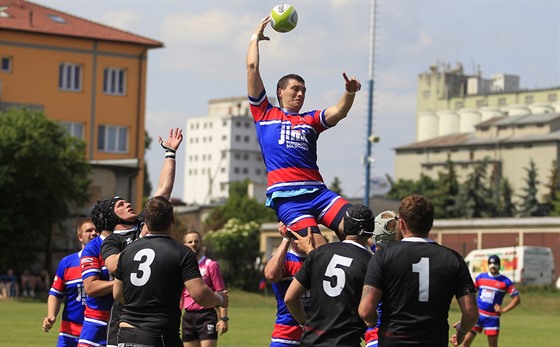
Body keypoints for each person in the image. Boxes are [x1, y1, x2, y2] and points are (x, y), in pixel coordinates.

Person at [246, 15, 362, 246]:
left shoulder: (310, 120)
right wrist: (254, 39)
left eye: (304, 91)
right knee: (319, 250)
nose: (300, 94)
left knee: (358, 224)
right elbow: (252, 67)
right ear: (280, 92)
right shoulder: (264, 113)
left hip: (319, 193)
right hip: (289, 200)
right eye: (295, 89)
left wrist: (349, 93)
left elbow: (339, 111)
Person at [80, 127, 183, 347]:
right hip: (124, 322)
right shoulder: (112, 241)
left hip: (158, 320)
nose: (127, 203)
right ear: (110, 217)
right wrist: (141, 242)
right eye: (120, 204)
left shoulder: (144, 224)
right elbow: (114, 265)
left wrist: (170, 154)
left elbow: (163, 190)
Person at [358, 195, 479, 347]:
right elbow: (471, 313)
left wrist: (377, 325)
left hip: (393, 340)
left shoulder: (384, 256)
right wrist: (461, 332)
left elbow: (365, 310)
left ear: (401, 224)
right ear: (431, 223)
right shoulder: (453, 259)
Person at [113, 196, 229, 347]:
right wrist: (220, 299)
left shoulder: (127, 251)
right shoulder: (181, 252)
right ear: (172, 220)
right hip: (159, 335)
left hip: (125, 335)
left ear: (146, 222)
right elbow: (200, 295)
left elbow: (118, 294)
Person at [284, 204, 374, 347]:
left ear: (345, 227)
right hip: (346, 342)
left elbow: (290, 298)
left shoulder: (320, 253)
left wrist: (305, 323)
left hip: (311, 341)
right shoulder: (371, 262)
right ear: (371, 231)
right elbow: (369, 312)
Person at [43, 218, 98, 347]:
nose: (94, 233)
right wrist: (51, 316)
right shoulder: (68, 262)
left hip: (95, 331)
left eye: (96, 230)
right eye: (88, 230)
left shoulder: (106, 262)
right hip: (69, 332)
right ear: (80, 237)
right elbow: (55, 294)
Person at [263, 222, 315, 347]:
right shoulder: (285, 259)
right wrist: (286, 238)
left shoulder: (319, 259)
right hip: (286, 336)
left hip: (315, 336)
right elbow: (270, 275)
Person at [181, 230, 229, 347]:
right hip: (188, 316)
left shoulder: (211, 265)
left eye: (196, 241)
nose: (193, 244)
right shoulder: (181, 266)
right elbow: (181, 294)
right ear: (184, 245)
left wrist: (223, 319)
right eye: (190, 242)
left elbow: (221, 292)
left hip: (206, 316)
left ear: (201, 244)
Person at [461, 254, 521, 347]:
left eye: (495, 264)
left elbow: (517, 299)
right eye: (490, 264)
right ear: (488, 265)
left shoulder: (505, 281)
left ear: (499, 265)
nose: (493, 266)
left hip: (492, 318)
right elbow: (471, 292)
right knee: (465, 342)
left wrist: (504, 309)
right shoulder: (481, 277)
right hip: (478, 315)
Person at [364, 210, 399, 347]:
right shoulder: (404, 262)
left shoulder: (373, 262)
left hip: (376, 335)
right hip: (401, 334)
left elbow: (365, 311)